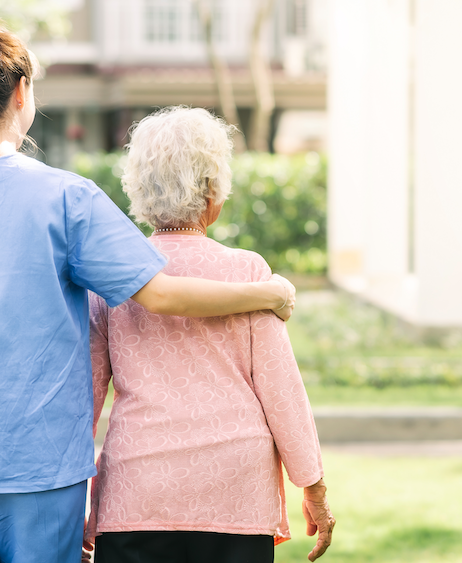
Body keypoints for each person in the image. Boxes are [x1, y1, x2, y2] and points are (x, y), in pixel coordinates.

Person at [0, 6, 295, 563]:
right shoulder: (65, 198)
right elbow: (160, 293)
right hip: (38, 463)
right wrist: (265, 293)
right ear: (21, 92)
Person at [84, 107, 334, 563]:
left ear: (140, 189)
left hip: (139, 491)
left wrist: (78, 503)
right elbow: (282, 392)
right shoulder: (248, 273)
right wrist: (312, 485)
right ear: (213, 192)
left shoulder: (114, 278)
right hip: (236, 492)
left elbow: (85, 398)